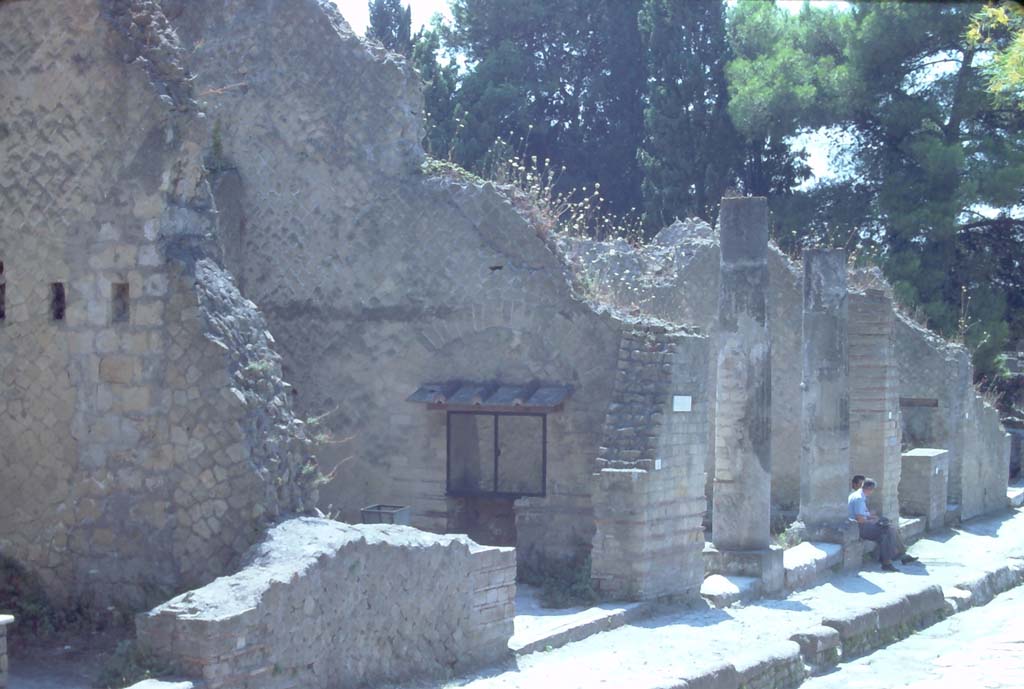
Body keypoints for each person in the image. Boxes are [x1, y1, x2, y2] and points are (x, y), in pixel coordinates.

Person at [848, 478, 918, 572]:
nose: (871, 492)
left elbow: (863, 514)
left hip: (861, 525)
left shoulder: (858, 495)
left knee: (889, 529)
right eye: (872, 490)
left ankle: (896, 557)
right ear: (869, 489)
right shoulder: (859, 498)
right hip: (858, 528)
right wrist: (874, 521)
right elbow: (860, 519)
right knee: (889, 530)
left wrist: (873, 516)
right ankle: (893, 558)